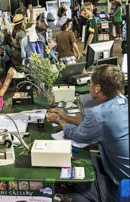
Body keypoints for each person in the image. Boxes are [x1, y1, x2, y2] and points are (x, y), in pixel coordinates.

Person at [46, 64, 129, 202]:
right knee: (88, 159)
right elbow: (92, 125)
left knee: (74, 181)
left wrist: (59, 120)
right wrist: (65, 115)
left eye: (90, 83)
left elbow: (78, 135)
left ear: (97, 88)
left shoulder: (99, 114)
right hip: (122, 173)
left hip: (123, 188)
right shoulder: (123, 101)